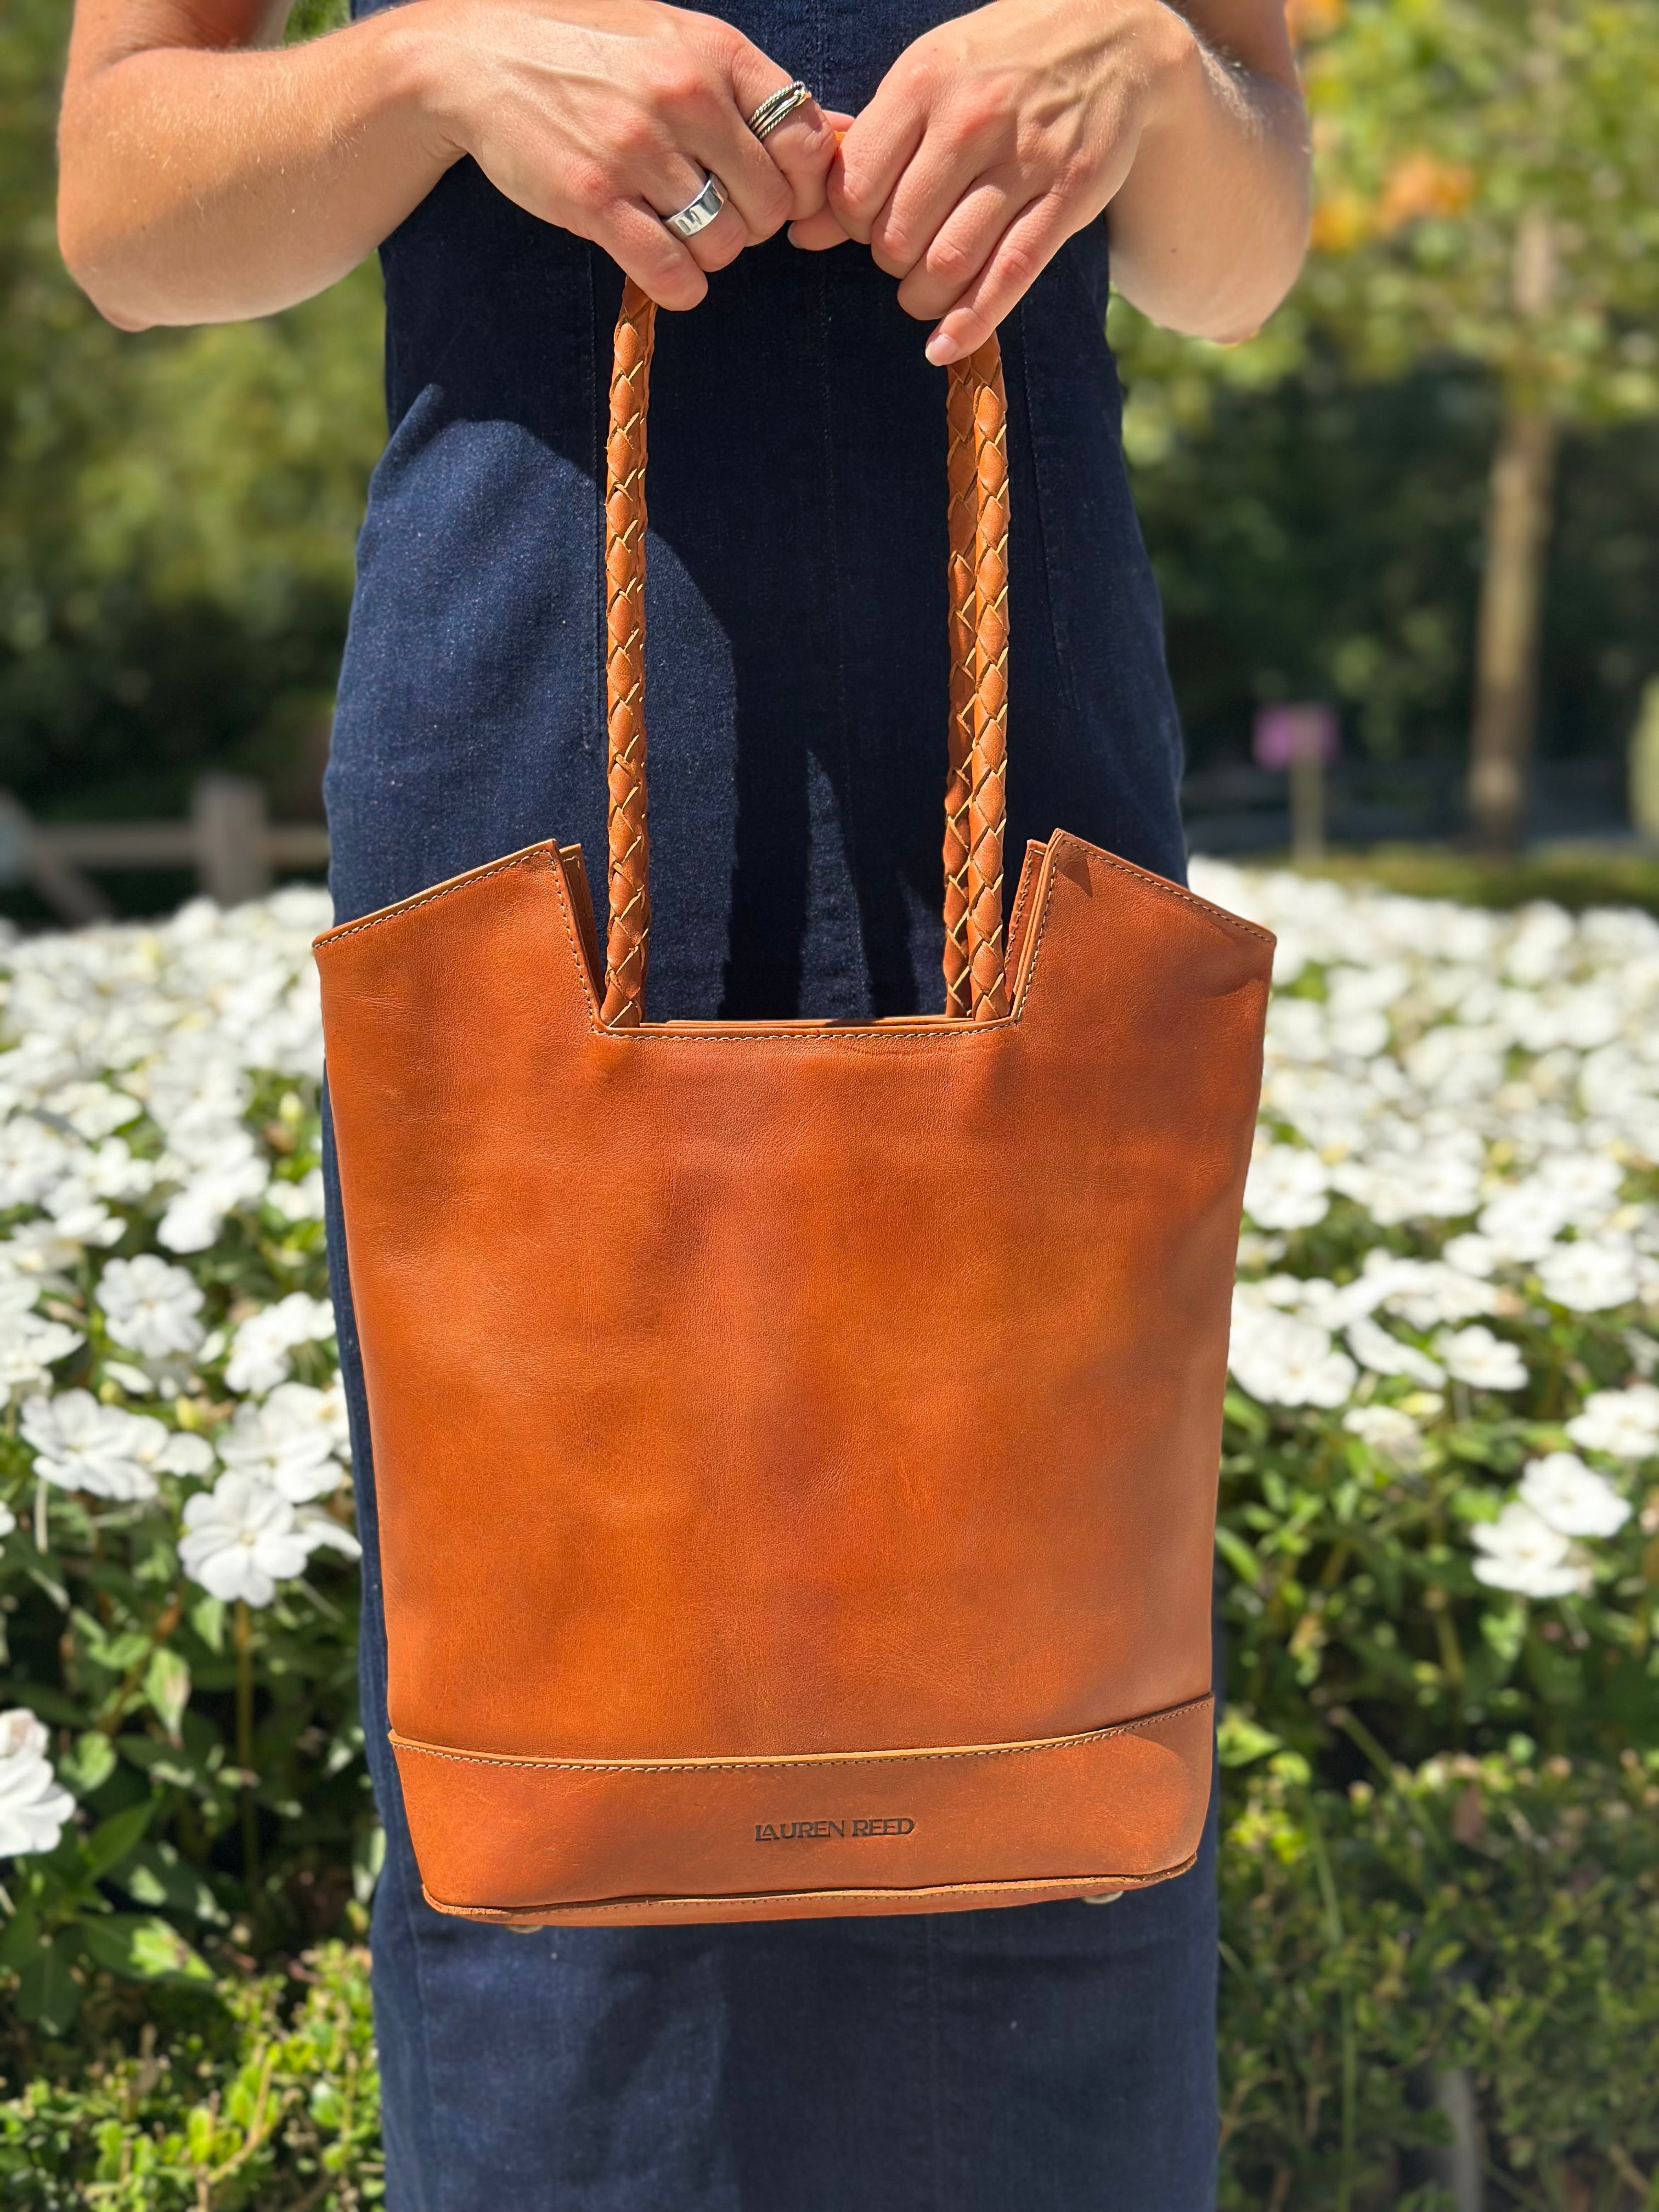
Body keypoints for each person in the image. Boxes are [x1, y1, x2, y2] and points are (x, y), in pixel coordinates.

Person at [57, 2, 1307, 2203]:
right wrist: (433, 73)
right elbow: (130, 218)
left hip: (1018, 737)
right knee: (577, 1848)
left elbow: (1243, 244)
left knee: (1036, 1801)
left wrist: (1140, 76)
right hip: (537, 746)